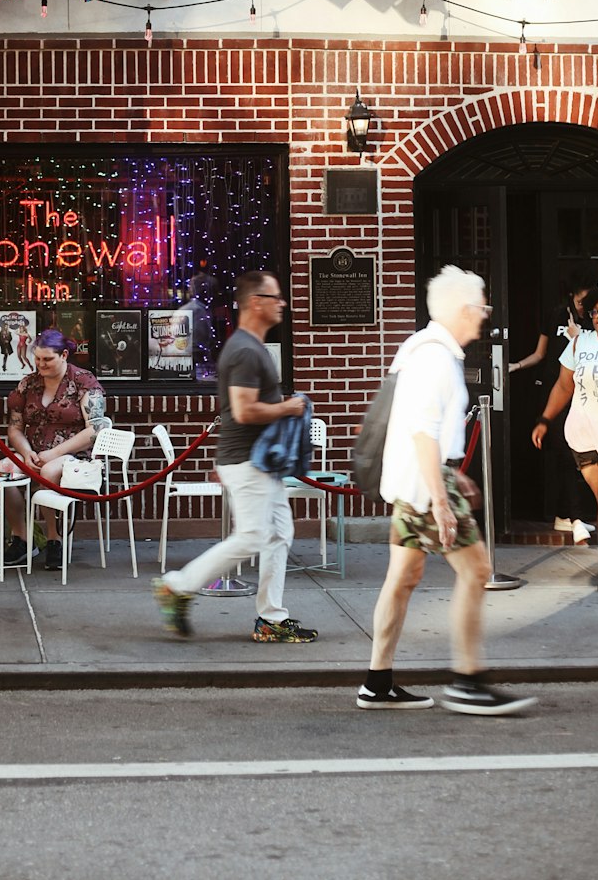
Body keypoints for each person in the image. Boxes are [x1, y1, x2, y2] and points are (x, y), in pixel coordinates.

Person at [357, 266, 535, 715]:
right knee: (477, 572)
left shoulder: (423, 349)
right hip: (423, 486)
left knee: (402, 579)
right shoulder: (435, 357)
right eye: (482, 307)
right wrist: (441, 500)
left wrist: (451, 475)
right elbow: (421, 431)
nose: (484, 316)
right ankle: (468, 681)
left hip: (415, 483)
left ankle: (377, 683)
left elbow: (417, 428)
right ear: (463, 308)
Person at [152, 271, 318, 644]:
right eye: (275, 297)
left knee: (278, 534)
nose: (282, 304)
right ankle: (176, 586)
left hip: (258, 461)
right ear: (256, 302)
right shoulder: (244, 350)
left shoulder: (249, 346)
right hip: (248, 461)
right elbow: (244, 412)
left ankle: (270, 619)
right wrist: (289, 408)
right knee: (252, 537)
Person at [532, 283, 598, 593]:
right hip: (588, 436)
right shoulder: (580, 344)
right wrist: (545, 419)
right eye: (594, 311)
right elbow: (564, 387)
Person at [0, 328, 107, 570]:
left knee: (48, 472)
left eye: (47, 359)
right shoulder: (28, 383)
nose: (40, 364)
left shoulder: (83, 381)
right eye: (37, 358)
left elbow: (95, 429)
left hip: (73, 454)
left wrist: (54, 454)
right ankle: (22, 538)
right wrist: (26, 452)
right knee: (2, 472)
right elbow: (15, 428)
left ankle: (54, 539)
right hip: (34, 451)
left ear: (64, 355)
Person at [510, 266, 598, 541]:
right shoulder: (557, 315)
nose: (586, 306)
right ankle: (575, 520)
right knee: (565, 454)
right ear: (573, 295)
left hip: (585, 396)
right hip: (556, 395)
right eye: (582, 300)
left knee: (581, 455)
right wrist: (516, 365)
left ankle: (565, 516)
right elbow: (540, 353)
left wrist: (577, 336)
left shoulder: (596, 320)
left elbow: (596, 354)